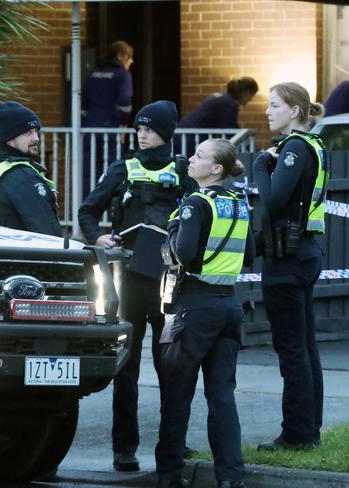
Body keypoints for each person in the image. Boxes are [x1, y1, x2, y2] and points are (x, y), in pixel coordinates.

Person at [79, 100, 197, 473]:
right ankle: (124, 448)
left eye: (148, 129)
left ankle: (173, 445)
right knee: (126, 368)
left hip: (167, 280)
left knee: (171, 366)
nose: (141, 135)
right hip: (128, 279)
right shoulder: (122, 169)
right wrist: (98, 237)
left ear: (165, 132)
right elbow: (87, 210)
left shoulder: (183, 171)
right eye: (138, 129)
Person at [155, 139, 254, 488]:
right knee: (222, 395)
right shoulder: (239, 204)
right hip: (229, 305)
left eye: (199, 155)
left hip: (194, 306)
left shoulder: (196, 203)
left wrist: (170, 233)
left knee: (177, 392)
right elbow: (250, 255)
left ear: (216, 169)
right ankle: (230, 477)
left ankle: (168, 475)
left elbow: (181, 252)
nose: (190, 158)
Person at [254, 82, 329, 451]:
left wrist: (258, 169)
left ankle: (297, 434)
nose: (267, 112)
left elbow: (274, 199)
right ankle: (309, 430)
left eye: (274, 106)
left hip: (288, 258)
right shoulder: (312, 145)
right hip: (305, 252)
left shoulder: (294, 148)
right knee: (306, 347)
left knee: (292, 351)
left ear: (294, 111)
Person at [0, 101, 62, 237]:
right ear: (9, 137)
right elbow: (50, 236)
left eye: (36, 131)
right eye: (28, 132)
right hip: (15, 255)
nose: (36, 138)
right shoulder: (22, 178)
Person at [81, 40, 134, 197]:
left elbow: (83, 104)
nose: (131, 61)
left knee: (88, 171)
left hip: (90, 129)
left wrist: (84, 125)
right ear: (121, 56)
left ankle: (87, 205)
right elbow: (125, 102)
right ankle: (110, 212)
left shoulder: (93, 73)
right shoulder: (123, 75)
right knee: (112, 170)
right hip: (111, 129)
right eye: (129, 57)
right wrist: (123, 124)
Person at [175, 77, 259, 156]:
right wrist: (253, 150)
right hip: (189, 138)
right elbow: (231, 131)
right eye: (252, 95)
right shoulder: (229, 103)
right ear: (246, 93)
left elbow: (231, 128)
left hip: (184, 134)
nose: (251, 99)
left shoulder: (223, 98)